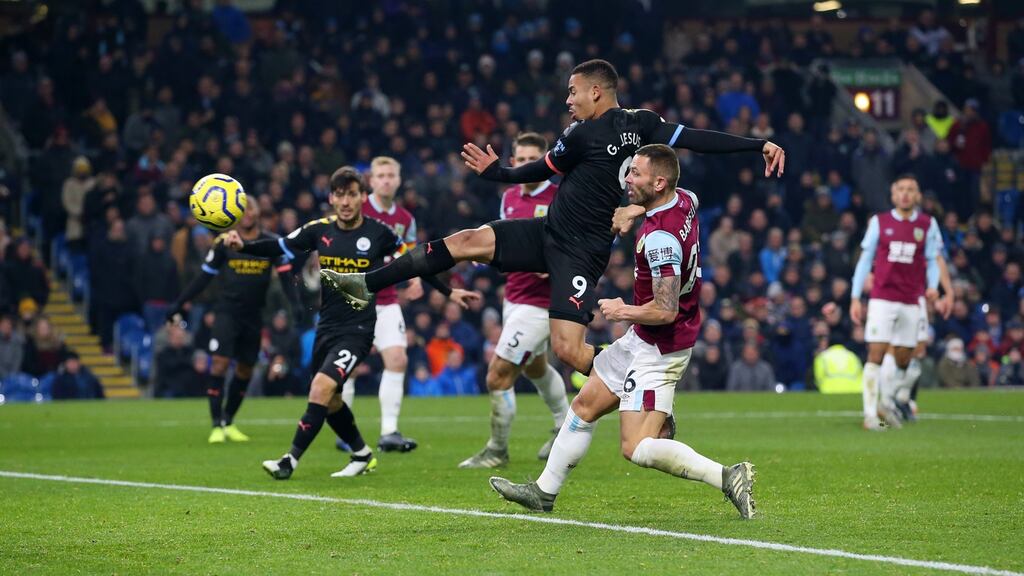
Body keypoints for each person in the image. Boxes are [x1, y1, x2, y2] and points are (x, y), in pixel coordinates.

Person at [324, 59, 783, 386]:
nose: (568, 100)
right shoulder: (581, 134)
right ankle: (366, 284)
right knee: (465, 240)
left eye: (573, 91)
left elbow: (696, 139)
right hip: (547, 233)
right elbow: (542, 169)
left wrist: (756, 143)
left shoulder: (637, 125)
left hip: (582, 252)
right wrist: (498, 174)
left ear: (596, 91)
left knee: (568, 350)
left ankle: (638, 386)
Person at [489, 145, 755, 519]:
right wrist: (636, 208)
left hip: (661, 348)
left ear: (658, 181)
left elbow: (665, 310)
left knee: (635, 447)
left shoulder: (662, 240)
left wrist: (621, 310)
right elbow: (673, 198)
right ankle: (543, 492)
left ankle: (728, 476)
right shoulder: (686, 199)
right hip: (642, 341)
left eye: (636, 174)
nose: (627, 179)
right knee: (583, 405)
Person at [223, 167, 478, 480]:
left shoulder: (379, 232)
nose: (345, 201)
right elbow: (278, 247)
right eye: (339, 194)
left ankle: (289, 461)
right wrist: (243, 247)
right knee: (331, 400)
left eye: (352, 194)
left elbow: (416, 261)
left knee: (320, 388)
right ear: (331, 198)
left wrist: (448, 291)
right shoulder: (318, 230)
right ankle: (361, 453)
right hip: (326, 326)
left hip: (357, 328)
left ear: (362, 196)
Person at [459, 132, 570, 469]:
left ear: (545, 161)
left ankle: (497, 450)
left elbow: (575, 247)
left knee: (497, 376)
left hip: (542, 304)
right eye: (519, 159)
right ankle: (563, 426)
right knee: (536, 367)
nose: (524, 165)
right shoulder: (509, 197)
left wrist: (550, 269)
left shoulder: (560, 196)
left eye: (530, 159)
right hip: (515, 297)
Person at [166, 201, 297, 443]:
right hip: (226, 313)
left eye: (251, 208)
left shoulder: (270, 242)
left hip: (254, 315)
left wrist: (297, 307)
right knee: (219, 363)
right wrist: (179, 303)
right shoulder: (224, 242)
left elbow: (287, 277)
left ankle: (228, 420)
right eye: (243, 208)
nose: (247, 213)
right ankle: (216, 424)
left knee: (246, 368)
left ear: (258, 212)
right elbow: (203, 278)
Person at [850, 174, 949, 430]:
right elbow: (865, 260)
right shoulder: (879, 223)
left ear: (917, 196)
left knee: (905, 357)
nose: (905, 194)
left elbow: (931, 259)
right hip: (883, 297)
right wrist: (854, 296)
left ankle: (888, 401)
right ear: (893, 195)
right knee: (876, 353)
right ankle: (870, 415)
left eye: (910, 190)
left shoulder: (927, 224)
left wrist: (932, 286)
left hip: (911, 299)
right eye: (901, 189)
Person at [340, 156, 421, 453]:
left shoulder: (405, 220)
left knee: (397, 359)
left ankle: (389, 431)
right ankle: (344, 430)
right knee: (347, 366)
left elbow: (411, 256)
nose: (386, 180)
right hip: (354, 301)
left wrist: (416, 279)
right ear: (371, 181)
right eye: (381, 175)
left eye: (390, 175)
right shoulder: (356, 211)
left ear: (398, 180)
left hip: (387, 301)